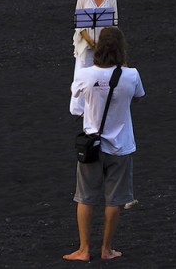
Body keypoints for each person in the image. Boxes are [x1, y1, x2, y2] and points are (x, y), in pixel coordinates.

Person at [64, 27, 145, 262]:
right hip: (121, 145)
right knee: (115, 199)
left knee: (86, 197)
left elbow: (75, 101)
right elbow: (138, 97)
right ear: (121, 49)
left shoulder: (85, 75)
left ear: (98, 49)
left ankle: (84, 249)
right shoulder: (131, 75)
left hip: (92, 144)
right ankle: (107, 249)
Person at [71, 0, 119, 112]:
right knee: (82, 73)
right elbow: (78, 23)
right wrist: (91, 42)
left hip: (104, 43)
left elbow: (114, 22)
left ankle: (98, 105)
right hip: (85, 42)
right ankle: (78, 108)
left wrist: (103, 43)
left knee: (101, 76)